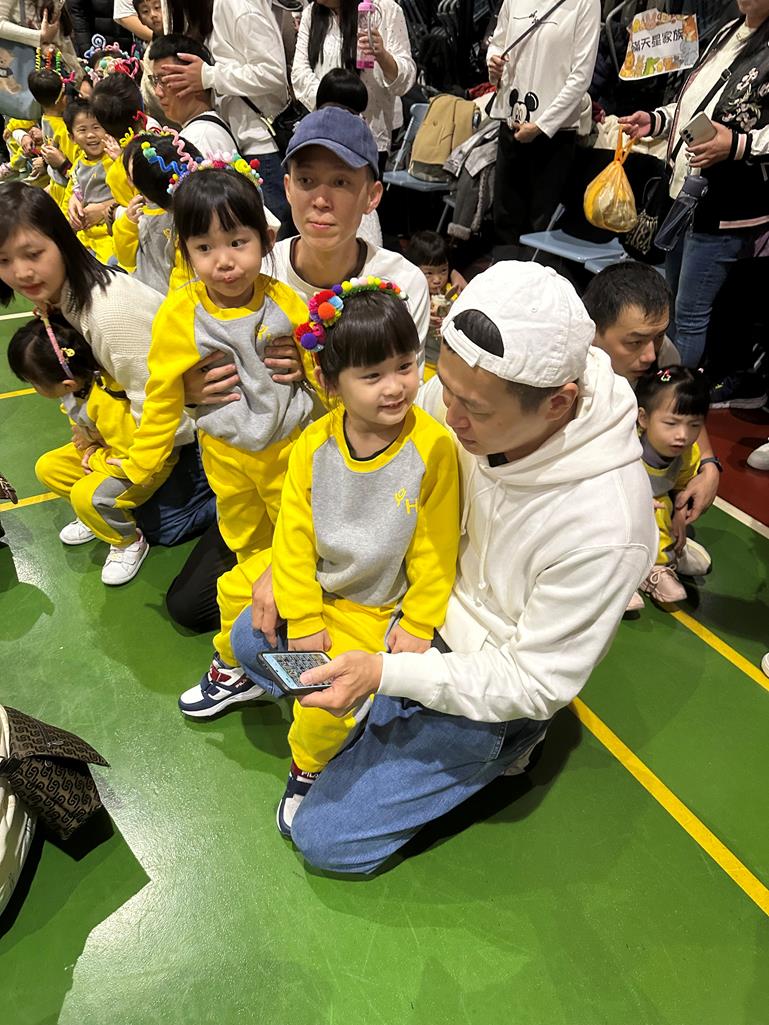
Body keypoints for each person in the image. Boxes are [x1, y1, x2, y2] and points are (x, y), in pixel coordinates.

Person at [240, 261, 657, 873]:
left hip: (485, 683)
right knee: (251, 637)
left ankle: (508, 749)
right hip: (403, 615)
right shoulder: (468, 393)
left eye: (473, 410)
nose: (445, 414)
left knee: (327, 841)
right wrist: (286, 566)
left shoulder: (606, 527)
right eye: (444, 387)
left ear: (558, 404)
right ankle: (370, 721)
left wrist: (387, 674)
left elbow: (535, 682)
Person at [162, 106, 431, 636]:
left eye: (341, 182)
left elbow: (394, 409)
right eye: (307, 181)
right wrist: (189, 391)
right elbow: (182, 350)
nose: (321, 200)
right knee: (188, 607)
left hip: (347, 477)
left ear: (372, 196)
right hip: (257, 468)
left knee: (276, 608)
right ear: (286, 188)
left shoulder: (398, 284)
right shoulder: (253, 265)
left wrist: (311, 376)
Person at [229, 279, 459, 835]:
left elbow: (436, 546)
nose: (396, 386)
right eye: (372, 375)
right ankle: (252, 676)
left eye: (405, 366)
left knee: (320, 703)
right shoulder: (313, 445)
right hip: (320, 590)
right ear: (331, 383)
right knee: (236, 608)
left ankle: (307, 766)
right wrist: (304, 615)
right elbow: (294, 537)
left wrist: (419, 621)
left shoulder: (433, 447)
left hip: (373, 609)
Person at [109, 162, 312, 712]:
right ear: (185, 252)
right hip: (225, 458)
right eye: (204, 247)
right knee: (248, 547)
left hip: (289, 456)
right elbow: (162, 396)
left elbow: (323, 373)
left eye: (237, 242)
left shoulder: (285, 303)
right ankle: (263, 639)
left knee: (290, 551)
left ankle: (259, 645)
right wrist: (138, 467)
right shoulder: (180, 315)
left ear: (264, 240)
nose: (224, 260)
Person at [0, 182, 214, 547]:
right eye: (4, 260)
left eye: (33, 254)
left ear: (61, 242)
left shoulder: (108, 312)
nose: (21, 272)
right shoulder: (58, 298)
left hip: (184, 428)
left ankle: (206, 490)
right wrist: (90, 444)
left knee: (162, 528)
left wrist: (128, 466)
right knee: (57, 471)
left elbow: (159, 408)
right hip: (125, 426)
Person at [619, 0, 769, 370]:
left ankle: (674, 395)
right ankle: (664, 386)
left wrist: (737, 145)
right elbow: (696, 105)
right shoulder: (728, 30)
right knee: (671, 303)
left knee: (689, 313)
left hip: (726, 204)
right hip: (685, 193)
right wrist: (656, 121)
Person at [583, 261, 721, 581]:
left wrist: (710, 466)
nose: (650, 355)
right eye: (634, 342)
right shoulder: (569, 371)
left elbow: (682, 409)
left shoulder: (663, 353)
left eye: (659, 336)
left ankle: (660, 541)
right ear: (592, 330)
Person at [9, 314, 173, 582]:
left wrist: (95, 456)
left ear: (67, 384)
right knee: (49, 468)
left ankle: (127, 541)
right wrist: (88, 441)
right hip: (107, 450)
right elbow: (81, 425)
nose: (35, 388)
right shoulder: (74, 390)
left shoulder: (107, 400)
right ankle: (94, 519)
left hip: (140, 466)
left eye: (35, 383)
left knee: (87, 496)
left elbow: (130, 458)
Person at [156, 0, 292, 224]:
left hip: (263, 146)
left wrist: (208, 76)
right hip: (239, 145)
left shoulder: (234, 4)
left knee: (271, 238)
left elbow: (273, 72)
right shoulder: (206, 11)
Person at [487, 0, 600, 255]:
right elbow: (498, 42)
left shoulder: (584, 3)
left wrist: (542, 125)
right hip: (511, 121)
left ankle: (536, 279)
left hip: (555, 134)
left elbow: (581, 76)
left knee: (541, 224)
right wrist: (492, 61)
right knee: (504, 219)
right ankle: (502, 277)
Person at [291, 0, 416, 170]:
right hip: (323, 132)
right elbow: (299, 73)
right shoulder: (311, 14)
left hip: (369, 135)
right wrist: (334, 109)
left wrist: (382, 56)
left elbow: (404, 82)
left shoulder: (385, 10)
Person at [634, 367, 711, 605]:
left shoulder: (688, 454)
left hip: (657, 504)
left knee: (664, 508)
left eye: (694, 425)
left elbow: (681, 486)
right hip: (616, 504)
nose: (683, 435)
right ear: (643, 418)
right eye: (671, 423)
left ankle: (666, 554)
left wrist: (679, 512)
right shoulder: (627, 446)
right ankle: (645, 570)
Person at [112, 132, 201, 290]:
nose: (128, 179)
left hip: (166, 297)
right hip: (148, 290)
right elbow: (126, 258)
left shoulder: (185, 219)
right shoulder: (138, 214)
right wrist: (127, 224)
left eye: (132, 174)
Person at [147, 33, 239, 156]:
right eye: (155, 81)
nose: (157, 92)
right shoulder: (202, 131)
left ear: (196, 79)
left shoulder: (199, 138)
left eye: (164, 80)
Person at [404, 230, 466, 380]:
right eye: (429, 273)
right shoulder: (411, 297)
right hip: (424, 364)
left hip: (452, 363)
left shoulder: (453, 292)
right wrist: (424, 320)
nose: (437, 279)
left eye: (443, 270)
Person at [63, 95, 115, 264]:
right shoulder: (78, 165)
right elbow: (71, 195)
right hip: (86, 239)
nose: (91, 135)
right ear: (72, 137)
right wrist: (73, 210)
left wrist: (103, 208)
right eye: (82, 130)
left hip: (111, 238)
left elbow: (134, 196)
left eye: (96, 127)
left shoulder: (115, 159)